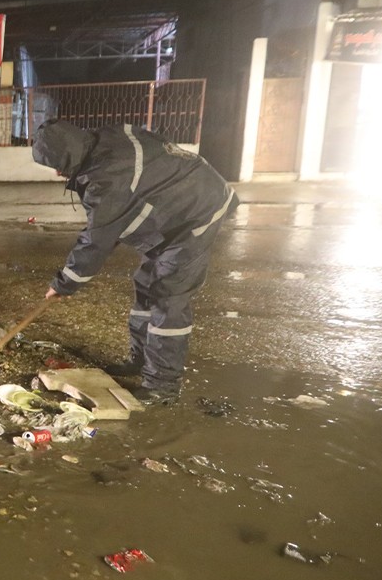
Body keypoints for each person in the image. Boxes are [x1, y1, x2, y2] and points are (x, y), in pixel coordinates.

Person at [32, 120, 238, 405]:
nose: (57, 172)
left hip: (198, 210)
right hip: (171, 207)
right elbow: (114, 219)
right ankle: (140, 360)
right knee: (146, 282)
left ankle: (162, 385)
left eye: (58, 165)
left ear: (69, 153)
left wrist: (64, 284)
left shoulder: (109, 178)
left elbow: (97, 239)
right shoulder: (103, 140)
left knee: (168, 293)